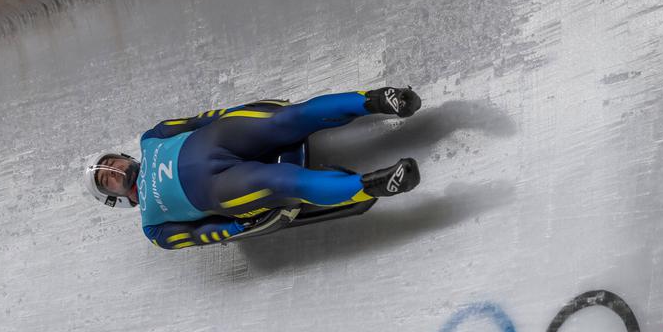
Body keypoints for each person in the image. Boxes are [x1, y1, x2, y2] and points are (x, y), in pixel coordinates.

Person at [84, 87, 422, 249]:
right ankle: (374, 184)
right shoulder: (154, 228)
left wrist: (239, 112)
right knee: (283, 182)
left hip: (222, 138)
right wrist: (237, 228)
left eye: (111, 164)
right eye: (106, 179)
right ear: (114, 197)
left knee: (290, 118)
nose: (113, 171)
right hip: (222, 187)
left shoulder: (152, 138)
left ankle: (376, 100)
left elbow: (199, 121)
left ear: (123, 157)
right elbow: (197, 235)